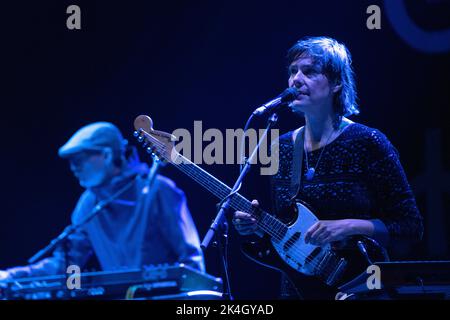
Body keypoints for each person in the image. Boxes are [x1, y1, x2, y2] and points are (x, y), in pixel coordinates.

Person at [232, 36, 424, 299]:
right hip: (299, 290)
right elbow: (287, 232)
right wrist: (257, 225)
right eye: (292, 72)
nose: (296, 80)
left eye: (309, 71)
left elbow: (410, 225)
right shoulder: (282, 147)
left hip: (360, 287)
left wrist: (347, 226)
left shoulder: (367, 142)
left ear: (336, 83)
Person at [0, 122, 204, 282]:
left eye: (78, 160)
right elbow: (67, 264)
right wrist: (10, 276)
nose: (73, 168)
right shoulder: (88, 202)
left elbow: (192, 262)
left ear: (106, 155)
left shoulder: (158, 189)